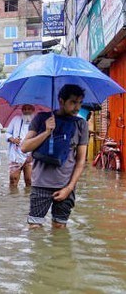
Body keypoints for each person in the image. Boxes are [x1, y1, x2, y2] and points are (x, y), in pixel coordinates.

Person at [21, 84, 88, 229]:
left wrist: (69, 188)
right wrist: (46, 132)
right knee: (34, 229)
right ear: (61, 101)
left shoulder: (81, 124)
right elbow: (24, 147)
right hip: (40, 185)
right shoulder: (41, 119)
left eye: (80, 103)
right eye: (73, 102)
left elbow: (81, 161)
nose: (77, 107)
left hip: (65, 185)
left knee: (59, 229)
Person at [6, 104, 35, 188]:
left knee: (29, 181)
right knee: (13, 180)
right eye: (24, 109)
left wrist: (33, 154)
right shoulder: (16, 119)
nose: (26, 111)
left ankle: (27, 200)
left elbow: (40, 139)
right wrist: (13, 139)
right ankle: (13, 199)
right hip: (16, 154)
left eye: (29, 109)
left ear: (33, 110)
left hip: (30, 156)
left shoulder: (37, 121)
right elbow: (7, 133)